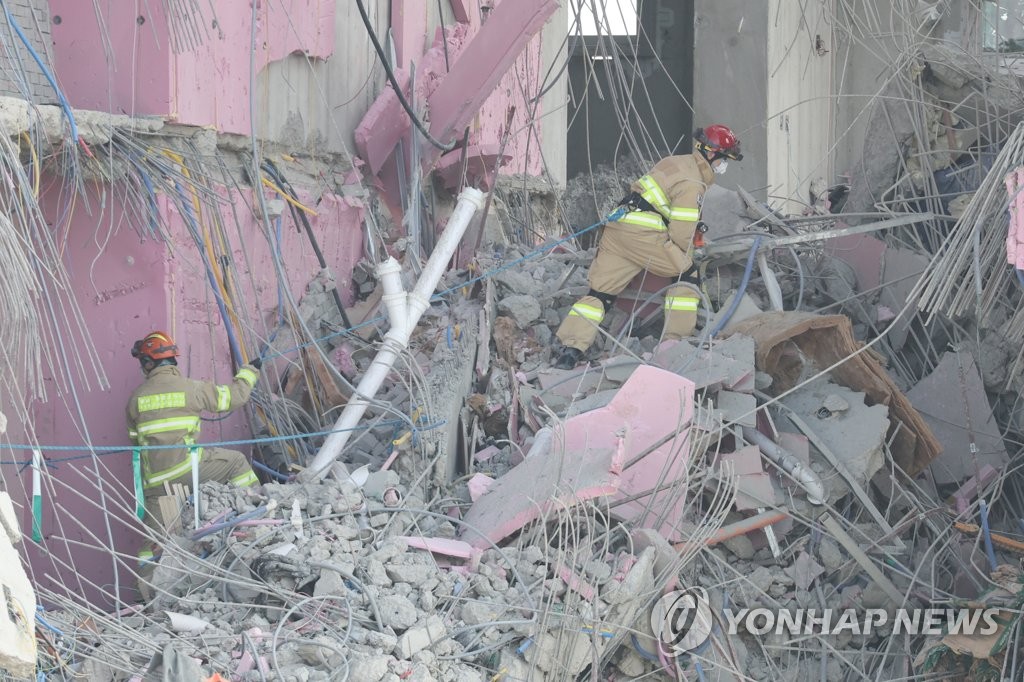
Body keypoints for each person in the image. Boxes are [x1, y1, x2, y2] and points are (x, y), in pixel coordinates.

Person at [553, 125, 743, 369]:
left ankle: (570, 349)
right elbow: (681, 234)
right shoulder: (693, 182)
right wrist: (689, 257)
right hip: (644, 235)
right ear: (712, 154)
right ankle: (674, 347)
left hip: (618, 229)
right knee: (686, 276)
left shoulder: (674, 162)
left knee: (601, 292)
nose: (724, 166)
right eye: (724, 159)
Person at [127, 330, 261, 593]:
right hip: (190, 470)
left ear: (147, 363)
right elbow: (234, 397)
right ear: (173, 360)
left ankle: (145, 598)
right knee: (235, 462)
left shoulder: (135, 400)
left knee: (152, 545)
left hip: (155, 485)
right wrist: (249, 373)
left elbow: (135, 443)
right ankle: (254, 512)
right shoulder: (192, 388)